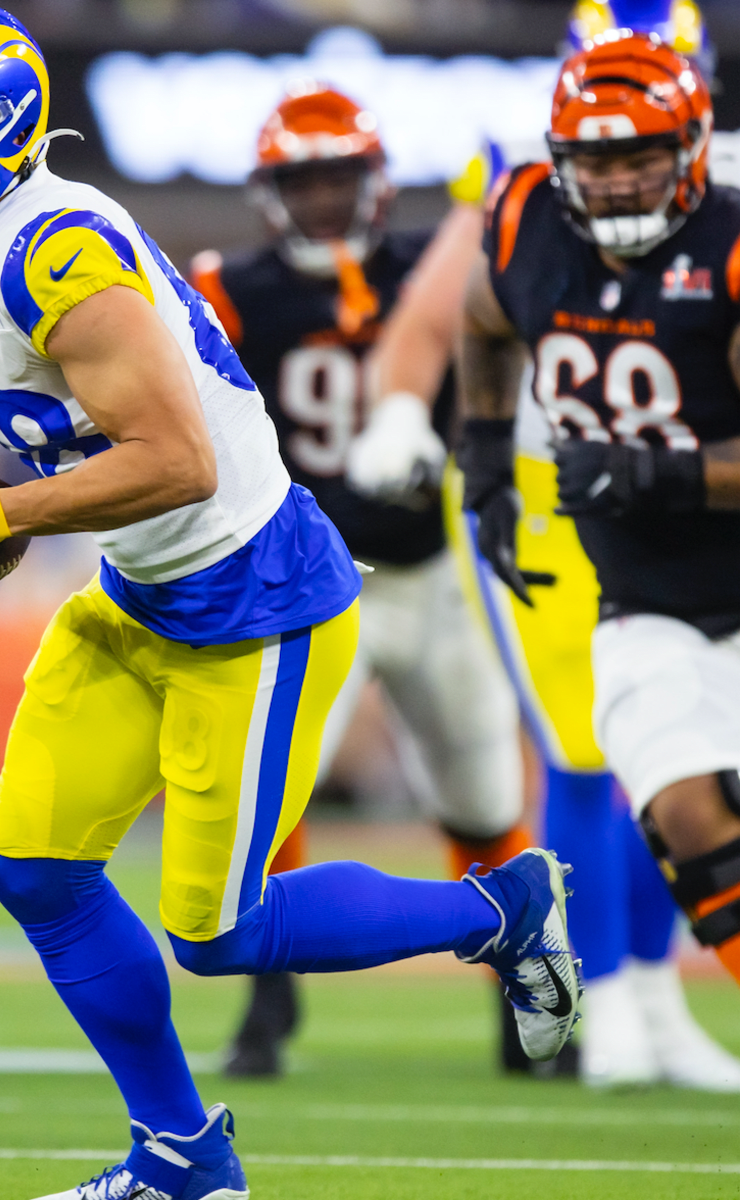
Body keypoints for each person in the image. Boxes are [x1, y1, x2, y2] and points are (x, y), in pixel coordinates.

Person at [0, 5, 581, 1198]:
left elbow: (176, 460)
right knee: (34, 870)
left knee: (219, 933)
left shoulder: (55, 253)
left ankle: (498, 909)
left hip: (256, 595)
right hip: (136, 587)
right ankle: (183, 1158)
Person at [190, 85, 529, 1078]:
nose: (325, 198)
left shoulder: (434, 266)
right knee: (269, 796)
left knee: (481, 793)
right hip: (308, 586)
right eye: (304, 178)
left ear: (375, 179)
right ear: (269, 188)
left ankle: (524, 994)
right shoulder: (226, 288)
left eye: (339, 175)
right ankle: (267, 1002)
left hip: (431, 576)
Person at [448, 8, 740, 1091]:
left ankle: (648, 1004)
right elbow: (474, 316)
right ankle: (614, 1001)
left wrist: (657, 471)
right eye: (594, 159)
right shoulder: (526, 209)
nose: (615, 181)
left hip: (714, 540)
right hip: (610, 555)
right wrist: (481, 460)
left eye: (638, 156)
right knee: (646, 786)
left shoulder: (729, 235)